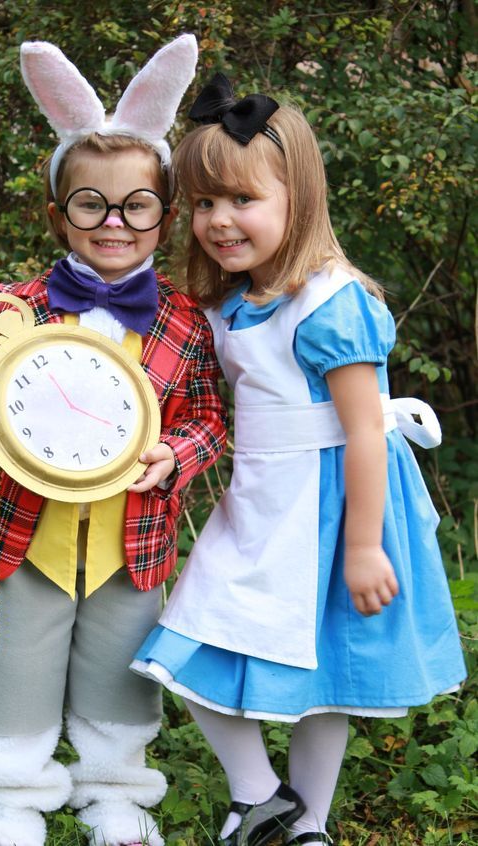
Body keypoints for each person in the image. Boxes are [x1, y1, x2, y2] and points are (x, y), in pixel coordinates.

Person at [131, 73, 467, 846]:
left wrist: (361, 547)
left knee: (328, 679)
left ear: (298, 198)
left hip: (339, 504)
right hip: (262, 499)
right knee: (187, 636)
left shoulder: (330, 299)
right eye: (205, 203)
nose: (219, 221)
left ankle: (306, 825)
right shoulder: (232, 303)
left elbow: (363, 432)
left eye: (241, 200)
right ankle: (260, 796)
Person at [0, 38, 227, 846]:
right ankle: (10, 796)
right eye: (90, 205)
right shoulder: (13, 310)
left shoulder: (185, 321)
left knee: (118, 668)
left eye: (135, 206)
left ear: (164, 217)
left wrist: (179, 455)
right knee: (12, 663)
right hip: (21, 533)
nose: (113, 223)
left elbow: (208, 417)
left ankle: (115, 794)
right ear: (56, 213)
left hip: (130, 535)